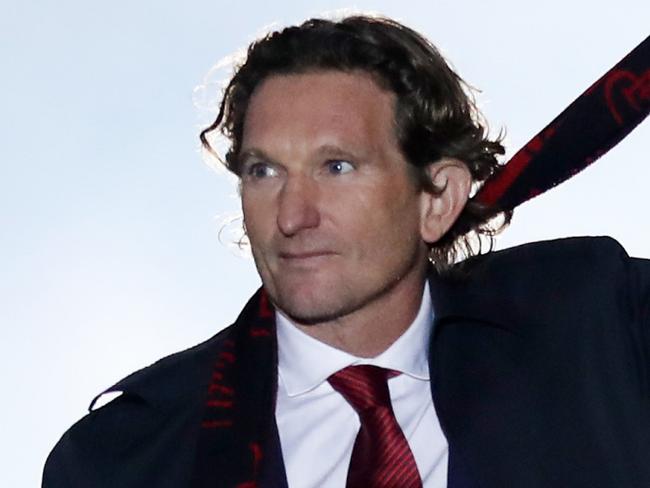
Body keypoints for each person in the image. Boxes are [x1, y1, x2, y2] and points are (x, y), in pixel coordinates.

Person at [43, 15, 650, 488]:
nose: (292, 216)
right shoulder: (124, 454)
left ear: (436, 199)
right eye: (264, 171)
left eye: (336, 166)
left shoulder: (600, 326)